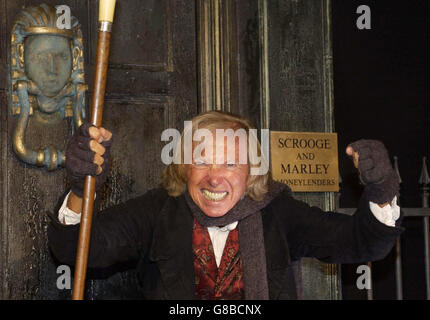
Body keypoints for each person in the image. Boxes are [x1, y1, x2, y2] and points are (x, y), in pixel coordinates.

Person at [48, 111, 403, 300]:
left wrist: (382, 190)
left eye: (230, 164)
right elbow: (75, 249)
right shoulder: (158, 212)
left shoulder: (278, 213)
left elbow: (363, 243)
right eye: (202, 161)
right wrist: (83, 188)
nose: (214, 178)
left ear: (251, 172)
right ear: (185, 165)